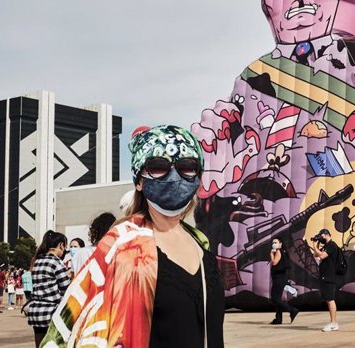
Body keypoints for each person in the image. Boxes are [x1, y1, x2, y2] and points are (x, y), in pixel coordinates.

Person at [40, 125, 225, 347]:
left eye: (187, 166)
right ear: (139, 181)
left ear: (198, 177)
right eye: (158, 166)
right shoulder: (120, 248)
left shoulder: (202, 248)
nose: (174, 175)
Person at [26, 230, 70, 347]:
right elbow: (66, 288)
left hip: (35, 311)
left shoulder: (37, 261)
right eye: (65, 246)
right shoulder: (56, 262)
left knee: (40, 345)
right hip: (51, 312)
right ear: (61, 245)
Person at [311, 228, 340, 332]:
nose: (320, 238)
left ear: (325, 234)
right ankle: (334, 323)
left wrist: (315, 246)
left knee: (330, 299)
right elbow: (316, 254)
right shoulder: (326, 246)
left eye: (321, 236)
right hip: (325, 275)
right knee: (328, 299)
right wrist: (317, 245)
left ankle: (333, 323)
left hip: (329, 276)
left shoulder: (332, 245)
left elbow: (322, 256)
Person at [269, 236, 299, 325]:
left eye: (276, 243)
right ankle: (278, 318)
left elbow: (274, 262)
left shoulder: (278, 251)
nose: (274, 244)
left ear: (280, 244)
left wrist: (271, 254)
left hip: (279, 278)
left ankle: (292, 310)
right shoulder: (284, 251)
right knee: (277, 298)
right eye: (273, 243)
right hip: (281, 277)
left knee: (275, 298)